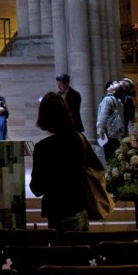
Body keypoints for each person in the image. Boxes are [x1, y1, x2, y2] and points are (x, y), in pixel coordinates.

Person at [30, 90, 92, 232]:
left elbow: (37, 188)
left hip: (59, 212)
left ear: (44, 116)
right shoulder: (79, 139)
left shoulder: (43, 147)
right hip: (80, 208)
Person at [96, 78, 129, 157]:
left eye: (113, 84)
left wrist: (100, 130)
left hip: (109, 134)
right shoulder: (119, 102)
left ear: (113, 91)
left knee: (110, 157)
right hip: (118, 134)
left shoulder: (107, 100)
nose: (111, 84)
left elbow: (103, 116)